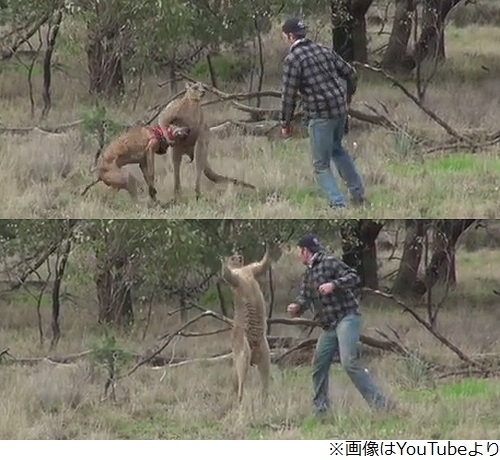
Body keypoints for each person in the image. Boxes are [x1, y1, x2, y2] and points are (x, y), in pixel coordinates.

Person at [287, 233, 388, 416]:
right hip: (329, 326)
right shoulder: (308, 274)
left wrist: (334, 284)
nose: (298, 255)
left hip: (347, 318)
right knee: (318, 365)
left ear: (305, 251)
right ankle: (321, 410)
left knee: (349, 362)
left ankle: (381, 405)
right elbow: (304, 298)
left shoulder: (329, 262)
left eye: (299, 251)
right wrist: (296, 307)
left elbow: (354, 277)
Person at [280, 17, 367, 209]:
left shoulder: (293, 60)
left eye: (285, 36)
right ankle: (358, 194)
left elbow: (288, 96)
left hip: (321, 115)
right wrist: (348, 96)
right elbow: (351, 73)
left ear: (290, 36)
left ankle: (338, 203)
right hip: (339, 109)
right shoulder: (323, 50)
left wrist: (285, 124)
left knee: (320, 164)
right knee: (337, 149)